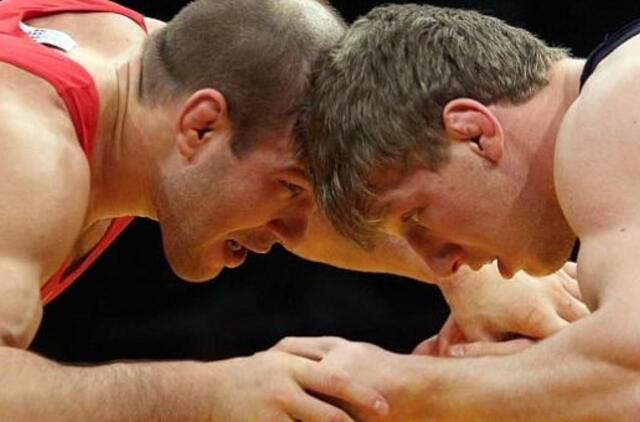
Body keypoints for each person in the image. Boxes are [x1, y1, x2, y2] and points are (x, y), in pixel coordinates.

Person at [0, 0, 586, 419]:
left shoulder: (166, 66)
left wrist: (465, 270)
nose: (293, 226)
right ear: (200, 126)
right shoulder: (28, 153)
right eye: (288, 188)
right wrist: (205, 396)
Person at [290, 3, 640, 419]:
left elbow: (630, 374)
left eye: (414, 216)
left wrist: (405, 384)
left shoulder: (611, 107)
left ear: (474, 132)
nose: (441, 266)